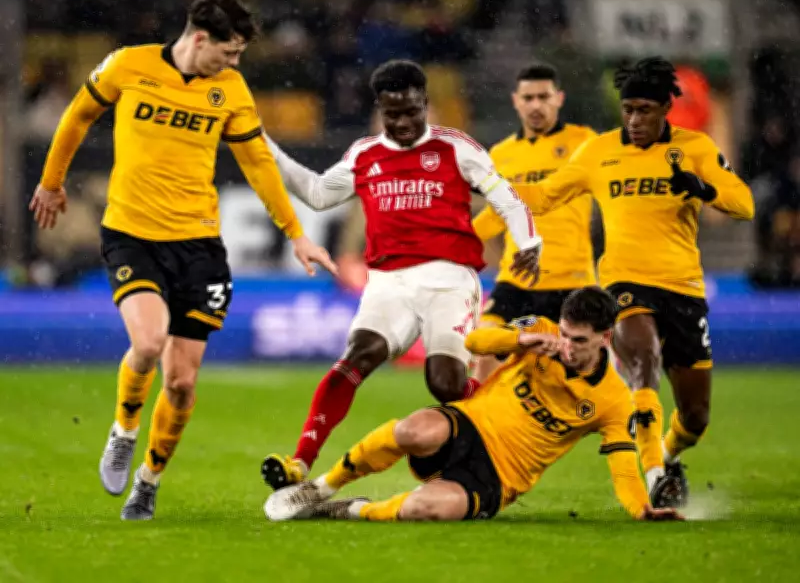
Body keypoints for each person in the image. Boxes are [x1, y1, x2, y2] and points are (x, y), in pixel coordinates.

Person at [29, 0, 336, 521]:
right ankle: (124, 430)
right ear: (199, 38)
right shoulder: (129, 65)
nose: (234, 63)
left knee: (181, 381)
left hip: (199, 246)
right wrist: (52, 182)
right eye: (229, 52)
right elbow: (79, 116)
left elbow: (257, 162)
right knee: (148, 342)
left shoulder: (230, 89)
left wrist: (295, 232)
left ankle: (148, 481)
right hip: (132, 235)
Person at [261, 59, 543, 490]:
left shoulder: (456, 147)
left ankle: (508, 415)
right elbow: (317, 194)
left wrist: (527, 241)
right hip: (388, 281)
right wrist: (265, 148)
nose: (403, 123)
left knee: (445, 384)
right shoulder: (365, 154)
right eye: (393, 114)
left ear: (425, 104)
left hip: (449, 279)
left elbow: (504, 196)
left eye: (412, 112)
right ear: (380, 109)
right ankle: (299, 461)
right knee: (357, 356)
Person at [503, 57, 755, 507]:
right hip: (624, 282)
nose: (635, 120)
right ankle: (655, 476)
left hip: (682, 287)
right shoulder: (598, 152)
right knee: (643, 356)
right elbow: (544, 196)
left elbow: (744, 205)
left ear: (665, 110)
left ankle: (669, 456)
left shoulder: (695, 147)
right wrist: (487, 185)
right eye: (628, 110)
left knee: (695, 417)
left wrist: (702, 189)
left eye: (645, 110)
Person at [263, 286, 683, 523]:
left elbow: (623, 468)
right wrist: (520, 340)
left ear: (605, 339)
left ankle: (348, 509)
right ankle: (320, 487)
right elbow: (476, 341)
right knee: (413, 430)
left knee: (426, 509)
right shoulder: (540, 331)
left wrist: (641, 510)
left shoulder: (613, 400)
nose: (567, 347)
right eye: (565, 334)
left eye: (580, 341)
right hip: (470, 422)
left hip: (500, 477)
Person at [472, 63, 597, 382]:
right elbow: (496, 216)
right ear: (516, 101)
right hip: (517, 281)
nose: (536, 105)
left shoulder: (585, 143)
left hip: (571, 279)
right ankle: (476, 413)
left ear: (559, 98)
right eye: (528, 98)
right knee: (484, 351)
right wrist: (455, 242)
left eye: (544, 96)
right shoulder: (500, 154)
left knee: (586, 375)